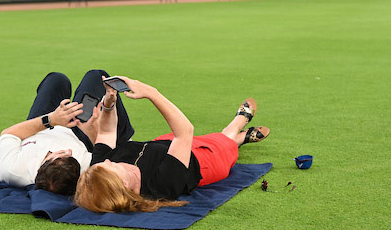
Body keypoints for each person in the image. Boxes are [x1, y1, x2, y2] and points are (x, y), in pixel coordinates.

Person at [74, 76, 270, 213]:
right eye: (111, 165)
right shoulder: (162, 185)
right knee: (225, 141)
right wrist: (151, 93)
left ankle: (239, 138)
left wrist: (109, 103)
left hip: (166, 144)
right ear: (124, 184)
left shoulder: (98, 170)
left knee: (218, 140)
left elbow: (107, 132)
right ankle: (238, 126)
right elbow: (185, 132)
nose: (107, 159)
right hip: (205, 161)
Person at [0, 70, 134, 196]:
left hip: (41, 127)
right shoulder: (85, 167)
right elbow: (103, 148)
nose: (68, 151)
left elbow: (9, 133)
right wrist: (95, 129)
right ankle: (125, 140)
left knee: (56, 80)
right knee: (96, 77)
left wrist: (51, 119)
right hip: (80, 133)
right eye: (70, 155)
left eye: (62, 154)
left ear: (41, 167)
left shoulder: (13, 170)